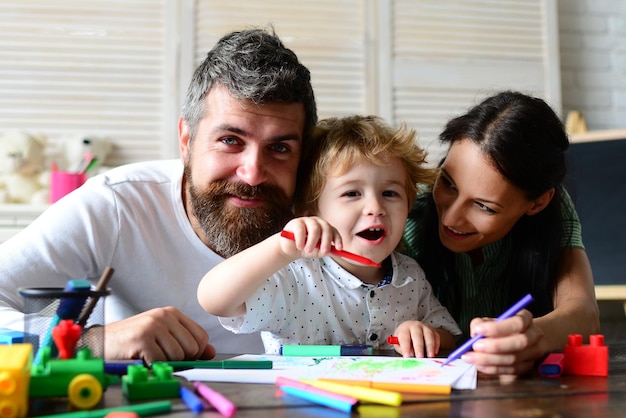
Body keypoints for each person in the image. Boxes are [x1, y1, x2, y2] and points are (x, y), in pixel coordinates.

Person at [0, 27, 317, 364]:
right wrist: (92, 341)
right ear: (186, 140)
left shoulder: (338, 209)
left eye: (280, 147)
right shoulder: (118, 204)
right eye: (230, 140)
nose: (252, 173)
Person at [197, 115, 462, 357]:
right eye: (352, 194)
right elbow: (215, 300)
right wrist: (280, 247)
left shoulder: (410, 276)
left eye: (390, 194)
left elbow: (449, 337)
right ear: (310, 210)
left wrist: (425, 335)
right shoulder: (295, 275)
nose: (375, 208)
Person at [401, 91, 600, 376]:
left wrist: (535, 336)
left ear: (537, 203)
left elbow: (583, 314)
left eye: (484, 206)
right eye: (448, 183)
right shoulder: (404, 211)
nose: (452, 217)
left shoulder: (553, 210)